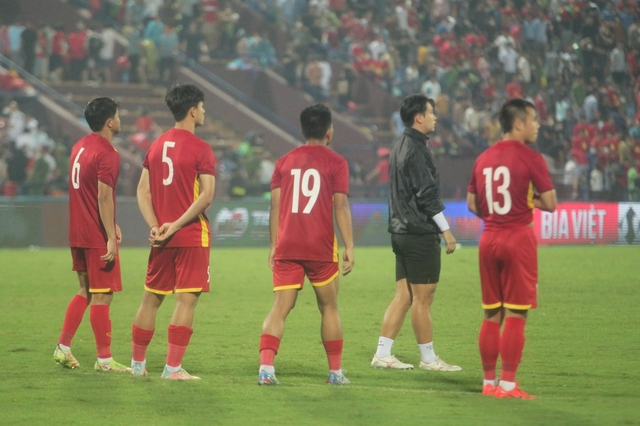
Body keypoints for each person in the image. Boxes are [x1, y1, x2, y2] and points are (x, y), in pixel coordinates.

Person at [258, 104, 355, 386]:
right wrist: (348, 245)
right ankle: (335, 373)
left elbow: (275, 206)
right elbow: (341, 206)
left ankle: (266, 369)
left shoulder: (284, 162)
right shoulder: (337, 163)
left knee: (279, 307)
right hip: (320, 245)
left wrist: (274, 245)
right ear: (329, 131)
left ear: (302, 130)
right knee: (329, 307)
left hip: (288, 243)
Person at [467, 98, 557, 399]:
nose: (537, 125)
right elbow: (551, 203)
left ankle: (488, 384)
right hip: (518, 238)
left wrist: (494, 216)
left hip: (488, 238)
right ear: (518, 123)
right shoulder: (531, 157)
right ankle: (508, 386)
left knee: (491, 314)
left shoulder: (483, 158)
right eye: (533, 120)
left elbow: (471, 203)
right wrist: (525, 203)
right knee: (516, 315)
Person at [130, 83, 216, 380]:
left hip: (161, 238)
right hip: (190, 235)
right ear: (193, 110)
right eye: (202, 107)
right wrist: (177, 225)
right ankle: (172, 368)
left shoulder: (156, 145)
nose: (204, 112)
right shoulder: (201, 148)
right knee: (186, 300)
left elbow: (142, 192)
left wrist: (156, 226)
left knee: (151, 298)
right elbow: (206, 196)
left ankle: (137, 366)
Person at [371, 94, 459, 372]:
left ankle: (382, 354)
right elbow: (427, 196)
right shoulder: (417, 150)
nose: (435, 117)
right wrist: (447, 231)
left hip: (399, 230)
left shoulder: (399, 145)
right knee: (423, 297)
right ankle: (429, 360)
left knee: (404, 295)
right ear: (418, 117)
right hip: (418, 231)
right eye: (431, 112)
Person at [53, 97, 129, 373]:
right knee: (103, 295)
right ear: (110, 121)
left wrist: (113, 224)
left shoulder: (79, 146)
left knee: (85, 290)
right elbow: (103, 197)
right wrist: (110, 234)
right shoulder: (108, 152)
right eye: (118, 115)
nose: (120, 119)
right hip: (95, 234)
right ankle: (105, 360)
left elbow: (86, 192)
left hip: (77, 231)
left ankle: (63, 347)